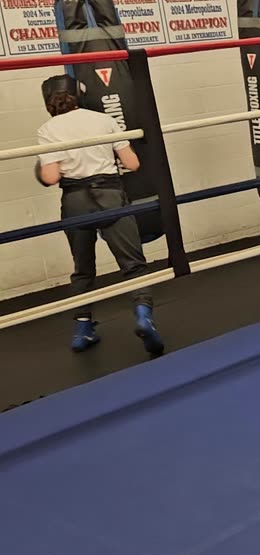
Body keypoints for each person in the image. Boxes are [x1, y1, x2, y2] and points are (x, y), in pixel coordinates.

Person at [34, 75, 163, 356]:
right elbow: (132, 162)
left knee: (83, 270)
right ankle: (143, 316)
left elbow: (51, 176)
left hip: (75, 202)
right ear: (77, 95)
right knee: (133, 264)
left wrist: (41, 167)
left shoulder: (46, 129)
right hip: (110, 196)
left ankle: (83, 330)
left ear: (47, 102)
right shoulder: (103, 120)